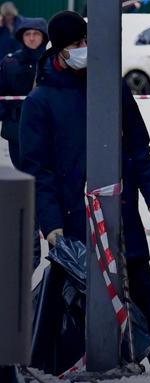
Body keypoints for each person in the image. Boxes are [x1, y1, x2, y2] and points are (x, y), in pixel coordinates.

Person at [19, 11, 150, 370]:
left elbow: (138, 147)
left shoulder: (112, 86)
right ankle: (54, 365)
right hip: (71, 220)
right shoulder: (41, 102)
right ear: (60, 50)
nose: (85, 49)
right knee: (70, 295)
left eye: (87, 41)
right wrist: (51, 224)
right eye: (77, 45)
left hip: (120, 213)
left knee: (142, 287)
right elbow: (38, 171)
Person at [0, 17, 47, 270]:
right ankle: (28, 250)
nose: (31, 38)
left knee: (43, 187)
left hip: (45, 136)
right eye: (27, 34)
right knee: (24, 187)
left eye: (36, 34)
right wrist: (8, 115)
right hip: (17, 135)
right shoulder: (9, 62)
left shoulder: (50, 62)